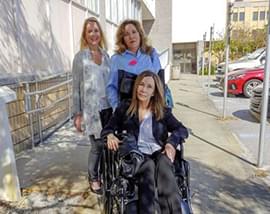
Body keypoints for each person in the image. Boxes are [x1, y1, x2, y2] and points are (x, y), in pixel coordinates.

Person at [101, 71, 189, 214]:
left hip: (159, 152)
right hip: (137, 155)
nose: (143, 89)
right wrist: (110, 135)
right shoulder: (125, 107)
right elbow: (108, 128)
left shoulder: (162, 111)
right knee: (147, 166)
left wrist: (171, 143)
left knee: (164, 165)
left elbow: (182, 129)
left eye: (149, 87)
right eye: (141, 84)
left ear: (154, 92)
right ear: (136, 86)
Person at [72, 17, 112, 195]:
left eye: (96, 30)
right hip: (91, 110)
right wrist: (77, 114)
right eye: (90, 31)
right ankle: (94, 178)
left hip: (108, 109)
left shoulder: (107, 56)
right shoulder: (80, 57)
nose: (94, 34)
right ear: (85, 35)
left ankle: (105, 173)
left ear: (100, 33)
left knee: (107, 145)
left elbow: (112, 83)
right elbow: (75, 87)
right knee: (96, 146)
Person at [106, 19, 161, 110]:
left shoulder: (151, 54)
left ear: (140, 34)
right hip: (127, 112)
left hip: (150, 110)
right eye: (126, 34)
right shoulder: (116, 59)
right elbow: (111, 87)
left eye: (134, 32)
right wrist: (117, 108)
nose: (131, 36)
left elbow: (159, 82)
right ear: (122, 39)